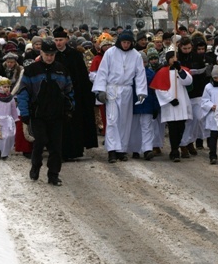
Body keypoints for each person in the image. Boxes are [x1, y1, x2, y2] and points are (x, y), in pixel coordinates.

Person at [18, 38, 75, 186]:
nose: (49, 57)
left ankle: (53, 174)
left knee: (56, 147)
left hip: (57, 114)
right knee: (40, 141)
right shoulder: (31, 70)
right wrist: (24, 113)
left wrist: (69, 108)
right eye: (46, 54)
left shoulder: (61, 70)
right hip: (38, 114)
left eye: (52, 54)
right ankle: (36, 165)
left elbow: (69, 91)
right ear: (41, 52)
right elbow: (23, 92)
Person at [93, 30, 147, 163]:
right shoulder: (110, 53)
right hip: (112, 89)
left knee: (125, 121)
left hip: (127, 90)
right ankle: (112, 150)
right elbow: (103, 71)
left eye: (128, 43)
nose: (126, 45)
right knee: (112, 120)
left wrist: (141, 91)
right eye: (124, 42)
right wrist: (100, 90)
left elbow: (140, 74)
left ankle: (121, 149)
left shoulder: (136, 55)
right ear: (119, 42)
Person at [53, 26, 98, 160]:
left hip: (74, 94)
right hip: (56, 95)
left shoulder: (75, 55)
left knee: (74, 123)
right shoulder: (51, 54)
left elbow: (82, 76)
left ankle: (74, 150)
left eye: (61, 40)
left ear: (66, 40)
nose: (58, 43)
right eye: (56, 40)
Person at [151, 51, 193, 162]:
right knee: (173, 128)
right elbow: (159, 89)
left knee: (181, 127)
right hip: (171, 105)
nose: (174, 59)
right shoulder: (162, 72)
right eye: (172, 57)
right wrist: (170, 99)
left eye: (175, 57)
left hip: (182, 103)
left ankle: (178, 145)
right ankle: (174, 150)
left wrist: (179, 70)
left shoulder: (182, 70)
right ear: (168, 59)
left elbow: (188, 81)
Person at [127, 52, 159, 160]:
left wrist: (155, 106)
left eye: (144, 62)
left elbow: (155, 91)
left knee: (146, 127)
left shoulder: (150, 73)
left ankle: (147, 149)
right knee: (135, 127)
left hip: (147, 104)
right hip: (135, 105)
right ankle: (136, 149)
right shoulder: (131, 74)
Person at [201, 65, 218, 164]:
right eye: (215, 78)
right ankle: (212, 154)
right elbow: (204, 100)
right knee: (213, 135)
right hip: (213, 114)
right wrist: (211, 105)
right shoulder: (208, 87)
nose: (217, 79)